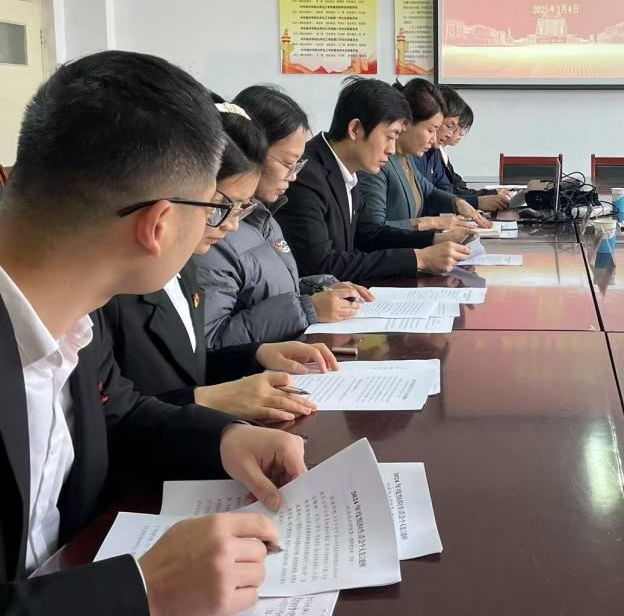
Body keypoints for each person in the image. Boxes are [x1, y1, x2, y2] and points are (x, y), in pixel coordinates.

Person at [0, 51, 304, 614]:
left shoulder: (75, 317)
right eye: (215, 210)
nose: (220, 228)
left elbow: (117, 413)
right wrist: (143, 591)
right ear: (159, 225)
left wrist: (223, 439)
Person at [100, 104, 336, 422]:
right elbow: (113, 413)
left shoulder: (184, 266)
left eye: (242, 208)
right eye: (222, 206)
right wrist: (205, 399)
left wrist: (255, 355)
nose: (232, 224)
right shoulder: (114, 290)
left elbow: (191, 363)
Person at [193, 85, 371, 348]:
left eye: (298, 164)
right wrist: (308, 309)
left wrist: (317, 289)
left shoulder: (262, 215)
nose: (294, 176)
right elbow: (211, 342)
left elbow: (264, 292)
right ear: (251, 151)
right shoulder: (212, 232)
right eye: (288, 164)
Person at [277, 77, 471, 280]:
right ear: (355, 129)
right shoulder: (306, 177)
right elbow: (321, 265)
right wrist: (418, 259)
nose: (392, 149)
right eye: (390, 136)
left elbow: (369, 234)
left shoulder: (345, 168)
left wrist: (434, 240)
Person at [357, 78, 493, 238]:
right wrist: (432, 223)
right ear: (406, 124)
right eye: (430, 130)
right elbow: (373, 230)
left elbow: (429, 191)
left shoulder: (406, 158)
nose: (434, 139)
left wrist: (457, 203)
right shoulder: (378, 162)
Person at [412, 85, 511, 204]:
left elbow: (444, 191)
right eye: (450, 126)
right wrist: (478, 201)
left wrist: (478, 201)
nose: (452, 134)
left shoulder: (432, 153)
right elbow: (433, 197)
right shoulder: (415, 155)